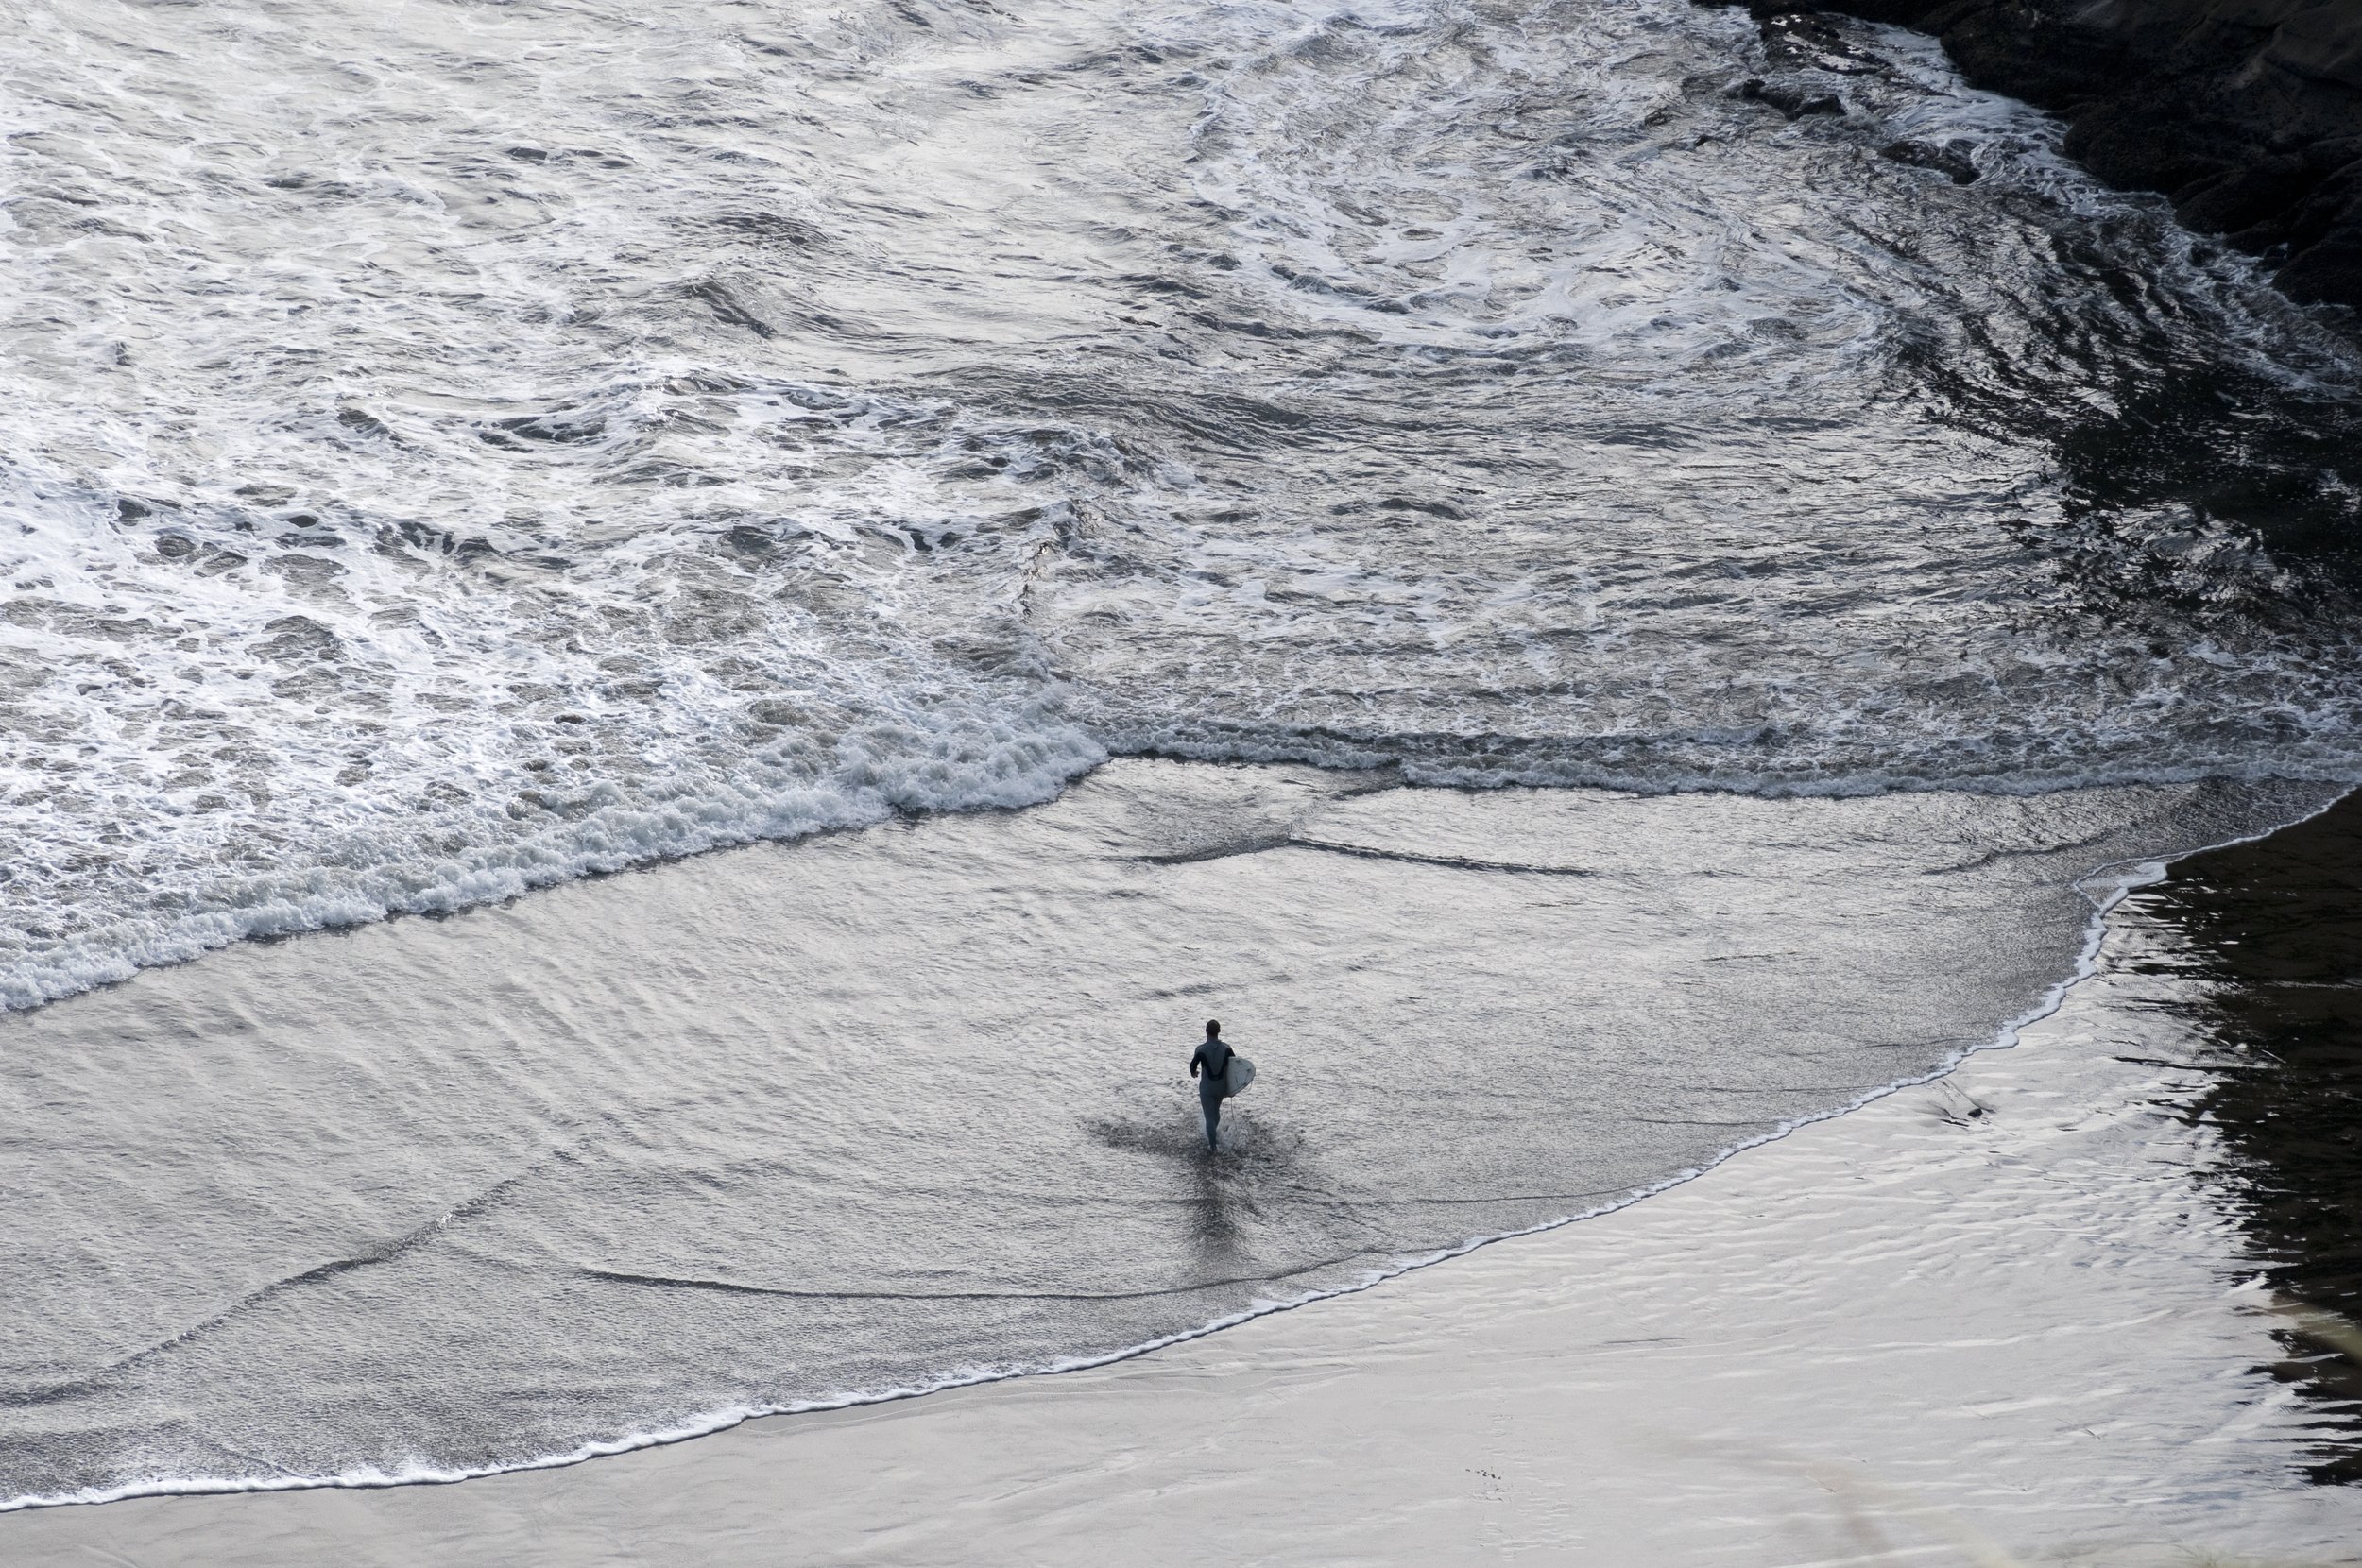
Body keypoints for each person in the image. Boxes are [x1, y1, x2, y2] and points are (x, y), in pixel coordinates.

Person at [1189, 1018, 1234, 1151]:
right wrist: (1232, 1087)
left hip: (1207, 1088)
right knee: (1215, 1113)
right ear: (1219, 1032)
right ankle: (1212, 1134)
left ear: (1206, 1031)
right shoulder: (1227, 1048)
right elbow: (1236, 1067)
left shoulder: (1201, 1049)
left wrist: (1194, 1073)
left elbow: (1192, 1067)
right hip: (1221, 1088)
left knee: (1209, 1117)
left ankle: (1213, 1147)